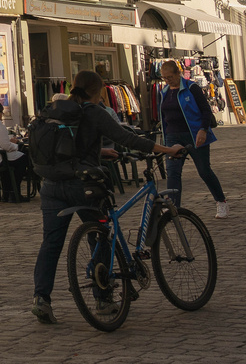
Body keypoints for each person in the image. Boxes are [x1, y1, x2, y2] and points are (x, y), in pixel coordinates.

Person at [31, 70, 186, 325]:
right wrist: (169, 150)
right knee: (99, 236)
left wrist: (99, 151)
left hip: (51, 184)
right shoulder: (94, 113)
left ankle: (41, 299)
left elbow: (69, 147)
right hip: (83, 185)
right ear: (99, 90)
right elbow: (128, 138)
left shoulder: (57, 110)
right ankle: (103, 299)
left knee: (51, 244)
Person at [158, 60, 227, 220]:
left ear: (178, 73)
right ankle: (174, 209)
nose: (167, 80)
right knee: (173, 173)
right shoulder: (165, 92)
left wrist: (203, 130)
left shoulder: (191, 88)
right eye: (164, 78)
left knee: (204, 171)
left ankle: (221, 201)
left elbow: (205, 110)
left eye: (170, 77)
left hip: (193, 134)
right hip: (173, 136)